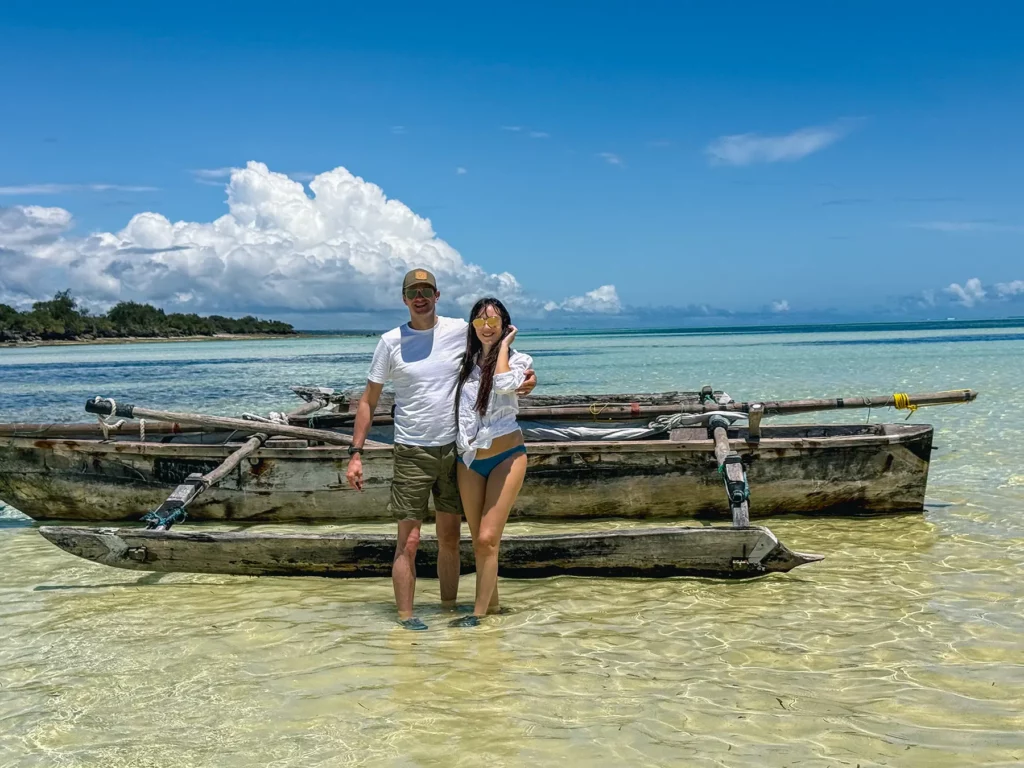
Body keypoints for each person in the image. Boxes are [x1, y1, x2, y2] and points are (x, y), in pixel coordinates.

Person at [345, 270, 535, 630]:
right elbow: (369, 401)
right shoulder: (389, 342)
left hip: (455, 451)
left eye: (426, 291)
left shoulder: (458, 332)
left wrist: (528, 376)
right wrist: (356, 453)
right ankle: (405, 618)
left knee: (451, 536)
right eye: (413, 291)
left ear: (437, 295)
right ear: (404, 298)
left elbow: (494, 354)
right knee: (410, 540)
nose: (420, 297)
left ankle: (451, 612)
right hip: (411, 450)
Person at [449, 298, 533, 627]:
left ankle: (477, 615)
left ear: (505, 326)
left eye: (494, 322)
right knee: (481, 544)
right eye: (480, 321)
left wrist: (504, 347)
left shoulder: (518, 359)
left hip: (506, 456)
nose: (487, 327)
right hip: (468, 459)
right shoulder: (462, 363)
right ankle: (493, 613)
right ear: (471, 325)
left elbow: (502, 384)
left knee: (487, 539)